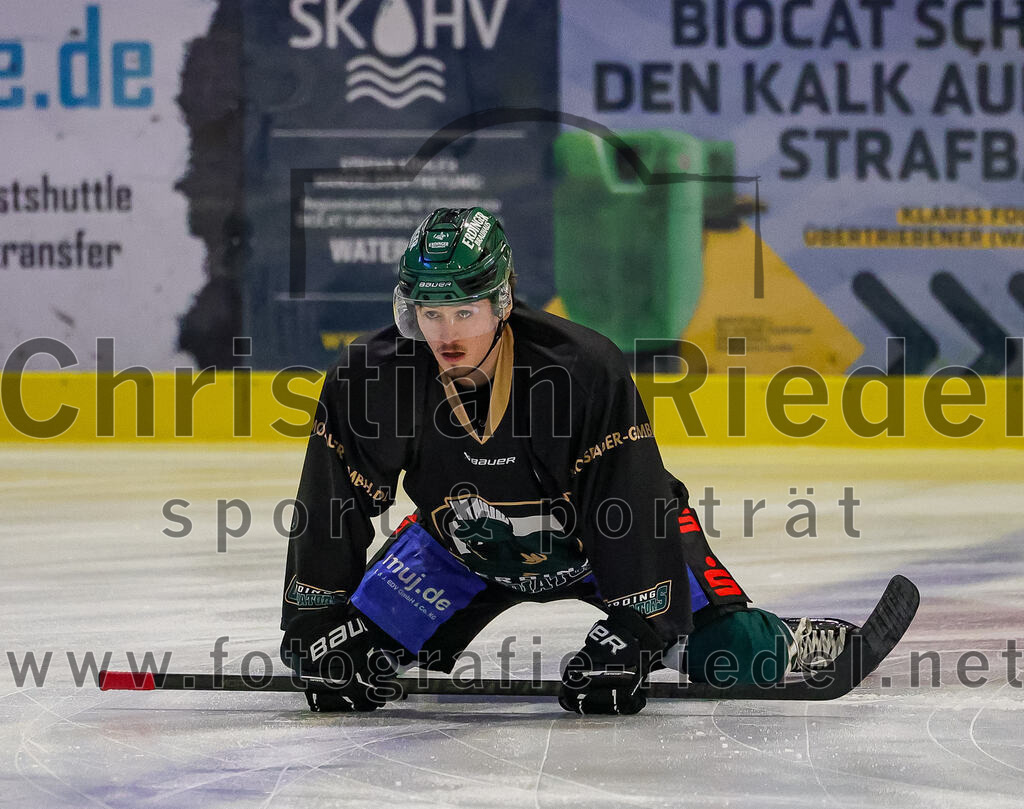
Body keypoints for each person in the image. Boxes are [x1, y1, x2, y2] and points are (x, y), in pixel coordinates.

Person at [280, 207, 848, 714]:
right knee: (348, 650)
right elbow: (333, 502)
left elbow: (630, 500)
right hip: (464, 547)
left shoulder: (580, 368)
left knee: (731, 654)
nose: (446, 335)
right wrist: (314, 620)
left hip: (598, 546)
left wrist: (637, 632)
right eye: (430, 313)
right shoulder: (371, 377)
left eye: (464, 312)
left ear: (502, 301)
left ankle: (794, 639)